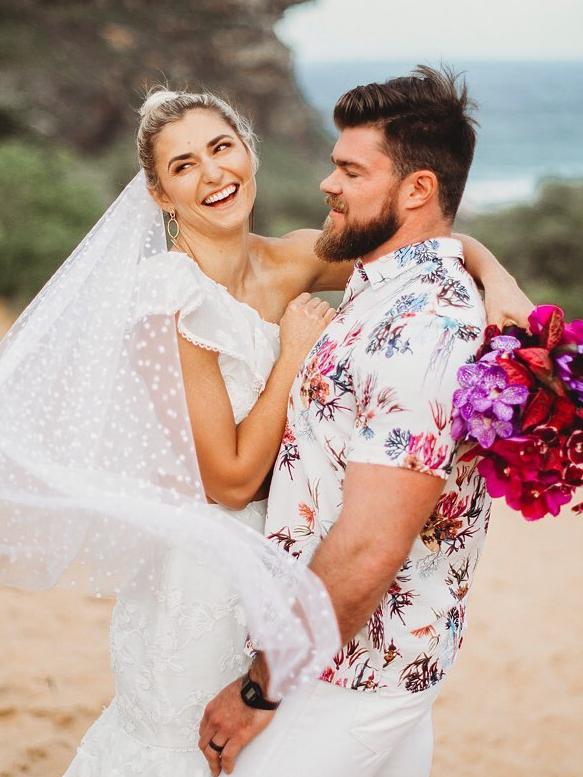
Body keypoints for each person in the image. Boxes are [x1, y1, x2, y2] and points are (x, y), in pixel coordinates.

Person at [0, 83, 530, 777]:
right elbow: (228, 478)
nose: (213, 174)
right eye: (183, 166)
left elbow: (415, 237)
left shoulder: (298, 256)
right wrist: (290, 356)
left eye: (221, 147)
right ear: (161, 195)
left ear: (248, 151)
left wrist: (495, 276)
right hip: (210, 569)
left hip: (293, 569)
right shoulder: (166, 297)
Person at [200, 66, 503, 777]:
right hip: (362, 661)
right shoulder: (382, 291)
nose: (327, 185)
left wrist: (258, 690)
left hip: (345, 677)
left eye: (349, 170)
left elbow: (369, 545)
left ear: (416, 190)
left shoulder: (423, 325)